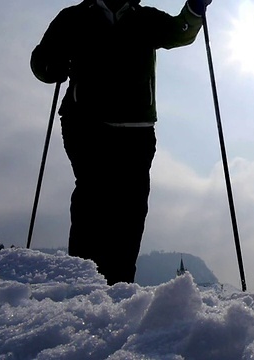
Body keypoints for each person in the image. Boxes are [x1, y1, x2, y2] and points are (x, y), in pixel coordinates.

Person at [30, 0, 212, 285]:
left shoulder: (145, 18)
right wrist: (48, 66)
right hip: (86, 124)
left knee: (130, 207)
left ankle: (118, 286)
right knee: (93, 197)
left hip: (135, 130)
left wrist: (195, 9)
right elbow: (41, 61)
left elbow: (182, 31)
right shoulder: (74, 18)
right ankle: (86, 284)